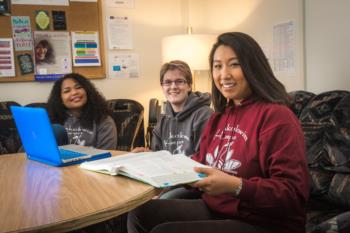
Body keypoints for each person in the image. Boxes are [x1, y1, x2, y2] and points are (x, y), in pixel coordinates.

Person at [127, 32, 310, 233]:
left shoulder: (277, 117)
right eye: (217, 66)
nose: (224, 75)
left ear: (253, 67)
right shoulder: (220, 115)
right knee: (140, 212)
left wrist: (236, 186)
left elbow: (292, 194)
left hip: (263, 221)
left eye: (234, 64)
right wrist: (153, 160)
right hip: (218, 207)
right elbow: (197, 162)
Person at [133, 60, 213, 199]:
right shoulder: (163, 119)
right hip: (169, 181)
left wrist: (163, 191)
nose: (173, 86)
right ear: (162, 87)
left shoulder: (204, 114)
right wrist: (143, 156)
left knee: (157, 203)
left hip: (194, 184)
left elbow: (203, 162)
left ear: (189, 85)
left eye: (179, 81)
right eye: (168, 82)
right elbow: (158, 157)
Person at [47, 73, 117, 150]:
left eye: (78, 87)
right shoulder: (51, 120)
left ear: (87, 91)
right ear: (60, 99)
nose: (74, 92)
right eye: (67, 91)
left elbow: (107, 155)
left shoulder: (104, 121)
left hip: (93, 161)